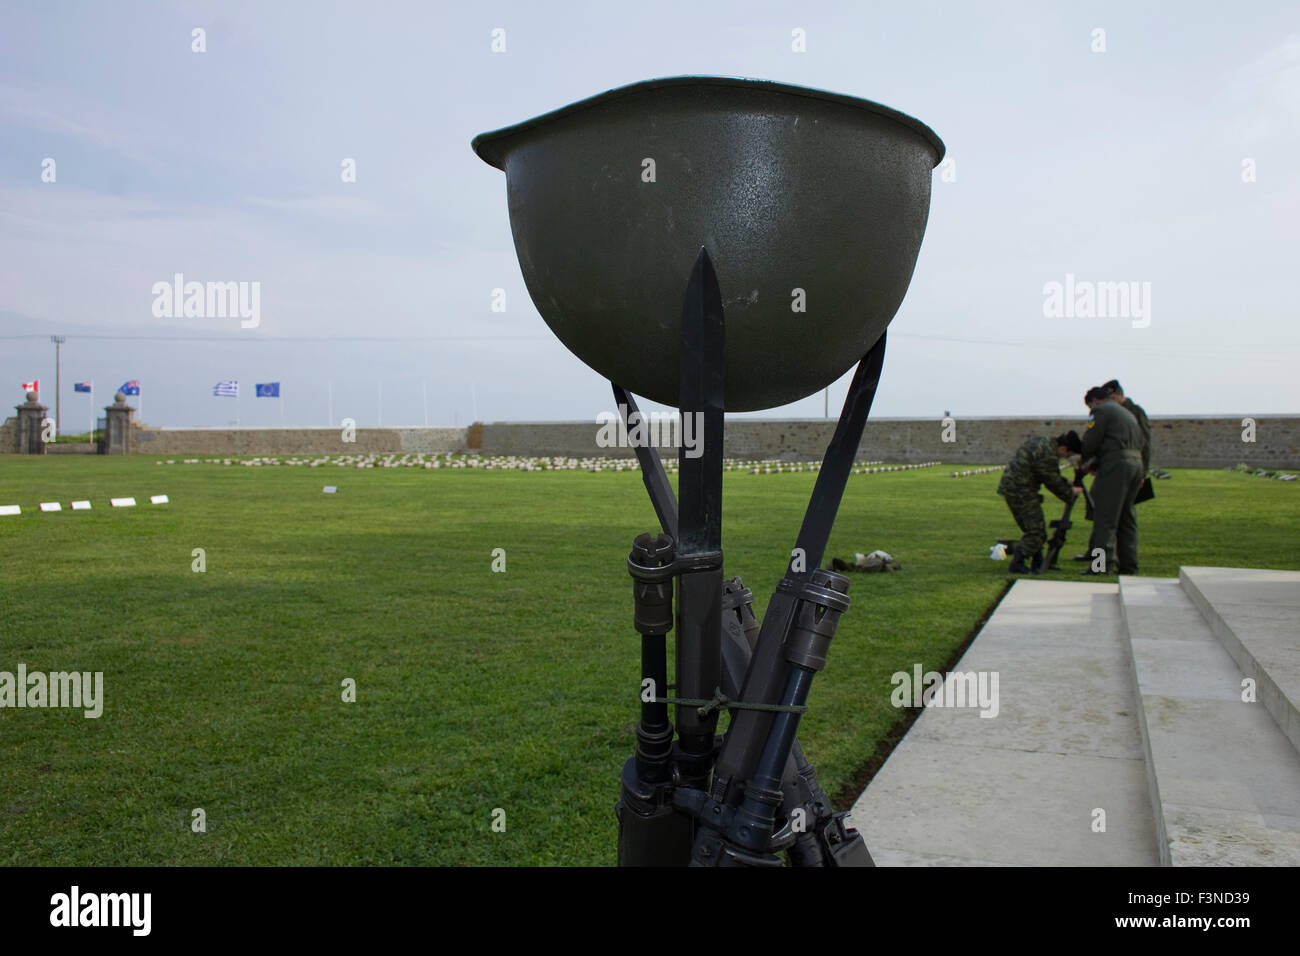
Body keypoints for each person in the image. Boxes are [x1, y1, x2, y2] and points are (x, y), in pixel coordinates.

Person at [997, 431, 1084, 574]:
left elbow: (1045, 472)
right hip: (1022, 492)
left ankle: (1037, 561)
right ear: (1063, 448)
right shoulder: (1049, 454)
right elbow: (1050, 479)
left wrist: (1064, 482)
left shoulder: (1042, 442)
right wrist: (1070, 492)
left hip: (1014, 488)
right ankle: (1017, 563)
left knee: (1033, 528)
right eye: (1068, 455)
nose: (1066, 458)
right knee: (1037, 532)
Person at [1080, 388, 1145, 575]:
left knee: (1104, 517)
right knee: (1127, 517)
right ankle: (1129, 564)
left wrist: (1085, 458)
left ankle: (1100, 566)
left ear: (1094, 401)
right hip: (1135, 464)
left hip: (1116, 465)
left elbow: (1091, 441)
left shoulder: (1101, 411)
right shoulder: (1127, 413)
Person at [1102, 379, 1151, 474]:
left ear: (1120, 395)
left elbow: (1145, 439)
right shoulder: (1112, 413)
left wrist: (1144, 470)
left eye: (1113, 399)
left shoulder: (1136, 412)